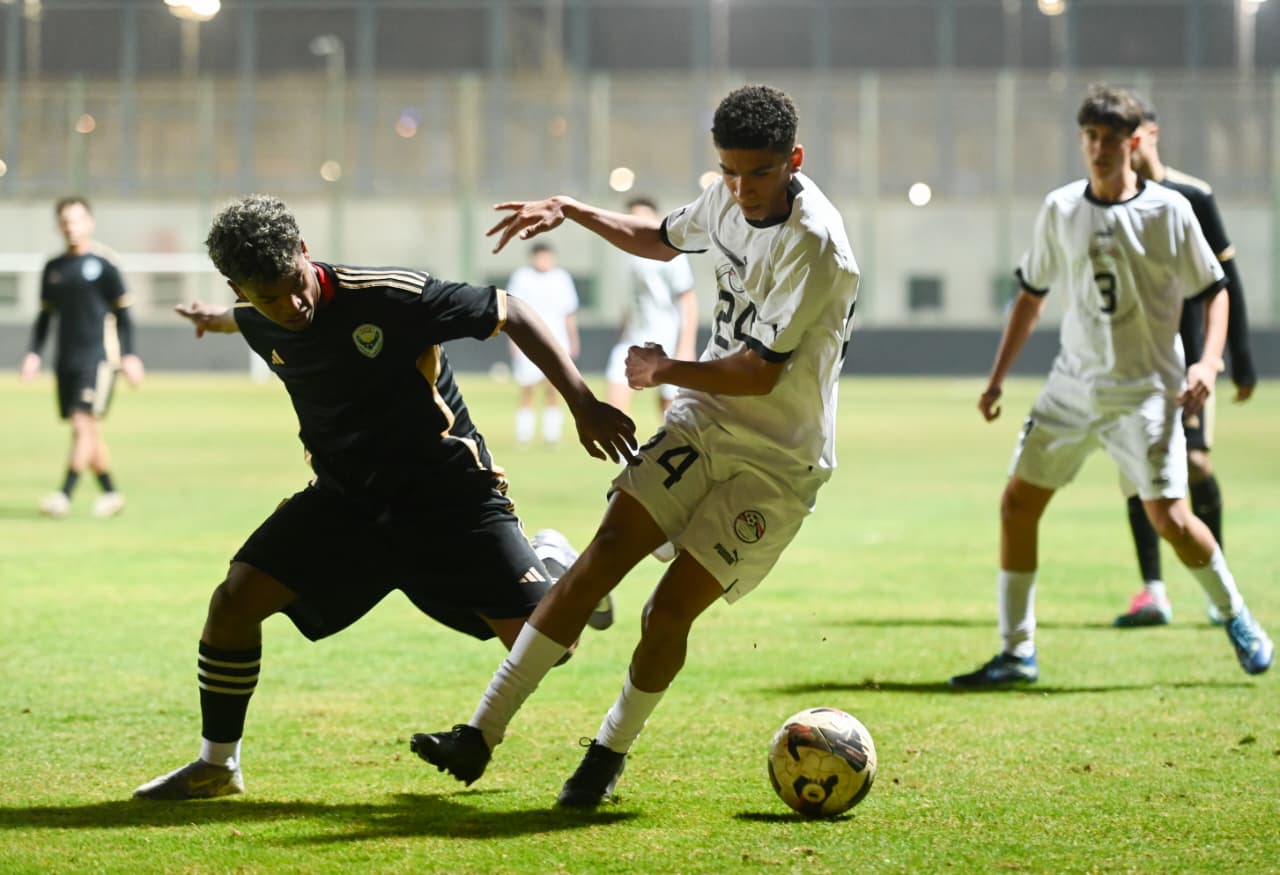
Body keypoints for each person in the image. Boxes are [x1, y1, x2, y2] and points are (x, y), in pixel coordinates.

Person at [411, 84, 861, 807]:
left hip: (779, 459)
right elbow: (657, 237)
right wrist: (572, 209)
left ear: (794, 161)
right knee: (602, 557)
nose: (742, 189)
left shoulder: (816, 245)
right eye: (729, 171)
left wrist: (663, 368)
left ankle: (607, 754)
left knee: (666, 612)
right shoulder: (726, 199)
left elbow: (760, 371)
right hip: (705, 422)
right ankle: (479, 731)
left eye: (759, 173)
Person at [132, 194, 635, 801]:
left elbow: (513, 311)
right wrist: (214, 318)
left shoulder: (389, 296)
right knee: (234, 600)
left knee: (553, 649)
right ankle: (217, 765)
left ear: (305, 251)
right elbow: (242, 317)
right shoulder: (257, 314)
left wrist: (583, 404)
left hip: (451, 498)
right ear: (241, 291)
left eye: (295, 284)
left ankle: (554, 561)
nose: (292, 306)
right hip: (348, 505)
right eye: (268, 297)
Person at [949, 85, 1272, 690]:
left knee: (1171, 519)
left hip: (1146, 393)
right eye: (1090, 137)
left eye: (1111, 138)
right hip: (1072, 388)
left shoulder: (1169, 211)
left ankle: (1236, 615)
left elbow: (1215, 291)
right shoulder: (1060, 208)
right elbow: (1031, 296)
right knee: (1017, 505)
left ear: (1134, 142)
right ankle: (1017, 652)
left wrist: (1209, 363)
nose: (1099, 148)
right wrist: (996, 380)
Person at [1112, 91, 1259, 629]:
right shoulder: (1111, 203)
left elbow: (1224, 283)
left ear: (1149, 134)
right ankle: (1153, 591)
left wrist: (1237, 356)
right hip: (1133, 363)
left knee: (1196, 465)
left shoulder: (1192, 197)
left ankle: (1218, 586)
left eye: (1129, 136)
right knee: (1137, 474)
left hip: (1191, 359)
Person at [20, 196, 144, 519]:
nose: (70, 227)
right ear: (58, 226)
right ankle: (111, 493)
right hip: (66, 359)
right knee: (85, 429)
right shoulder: (54, 268)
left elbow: (125, 315)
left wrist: (130, 356)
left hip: (100, 358)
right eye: (65, 222)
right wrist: (34, 353)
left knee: (82, 422)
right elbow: (45, 316)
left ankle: (64, 494)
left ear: (89, 222)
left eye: (76, 220)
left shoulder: (105, 265)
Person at [605, 197, 699, 417]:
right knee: (614, 404)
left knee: (670, 411)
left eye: (642, 217)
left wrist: (686, 347)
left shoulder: (671, 253)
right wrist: (623, 331)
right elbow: (631, 299)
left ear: (655, 219)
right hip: (632, 339)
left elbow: (688, 300)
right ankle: (623, 442)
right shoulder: (626, 254)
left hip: (666, 337)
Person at [506, 242, 580, 446]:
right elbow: (512, 313)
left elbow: (569, 313)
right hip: (528, 339)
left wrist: (573, 340)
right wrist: (513, 341)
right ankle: (524, 434)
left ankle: (552, 434)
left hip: (557, 341)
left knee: (555, 387)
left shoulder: (562, 278)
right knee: (527, 388)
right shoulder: (521, 278)